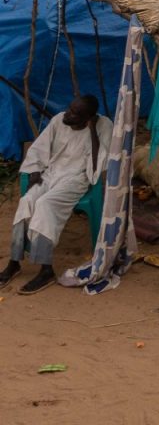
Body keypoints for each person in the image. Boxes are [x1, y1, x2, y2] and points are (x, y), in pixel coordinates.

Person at [0, 96, 111, 295]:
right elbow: (40, 147)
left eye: (75, 114)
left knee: (44, 205)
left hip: (76, 179)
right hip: (51, 173)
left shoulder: (103, 127)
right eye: (70, 109)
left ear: (89, 117)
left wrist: (92, 130)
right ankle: (14, 262)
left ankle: (46, 269)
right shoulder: (59, 119)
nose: (68, 115)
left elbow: (97, 166)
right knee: (27, 201)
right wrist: (35, 171)